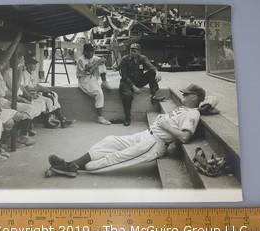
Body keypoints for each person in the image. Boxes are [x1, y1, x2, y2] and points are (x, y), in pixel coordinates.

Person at [46, 84, 206, 178]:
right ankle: (71, 165)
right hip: (146, 135)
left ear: (194, 97)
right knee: (110, 140)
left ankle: (71, 167)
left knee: (112, 159)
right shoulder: (184, 108)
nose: (183, 94)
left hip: (154, 144)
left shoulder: (193, 113)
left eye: (187, 94)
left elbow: (185, 137)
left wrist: (166, 126)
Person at [118, 43, 165, 126]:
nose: (132, 52)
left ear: (139, 52)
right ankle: (127, 118)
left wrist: (156, 72)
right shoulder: (125, 59)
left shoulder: (142, 58)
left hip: (138, 79)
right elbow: (124, 75)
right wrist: (133, 87)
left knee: (152, 73)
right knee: (127, 96)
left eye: (134, 51)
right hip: (127, 81)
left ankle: (154, 96)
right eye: (131, 50)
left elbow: (150, 66)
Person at [22, 55, 75, 128]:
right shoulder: (24, 73)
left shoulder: (33, 73)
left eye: (35, 64)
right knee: (49, 100)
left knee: (53, 95)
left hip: (37, 93)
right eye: (33, 64)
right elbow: (26, 88)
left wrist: (46, 89)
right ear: (27, 64)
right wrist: (38, 89)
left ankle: (59, 120)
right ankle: (49, 122)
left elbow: (37, 84)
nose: (35, 66)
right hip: (30, 95)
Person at [76, 43, 111, 125]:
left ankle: (104, 82)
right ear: (84, 52)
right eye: (89, 52)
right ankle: (100, 117)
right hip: (84, 80)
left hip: (93, 78)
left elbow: (101, 61)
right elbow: (89, 71)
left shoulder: (94, 57)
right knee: (99, 93)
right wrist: (98, 62)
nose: (91, 54)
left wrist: (102, 60)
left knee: (100, 62)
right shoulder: (80, 60)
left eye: (92, 52)